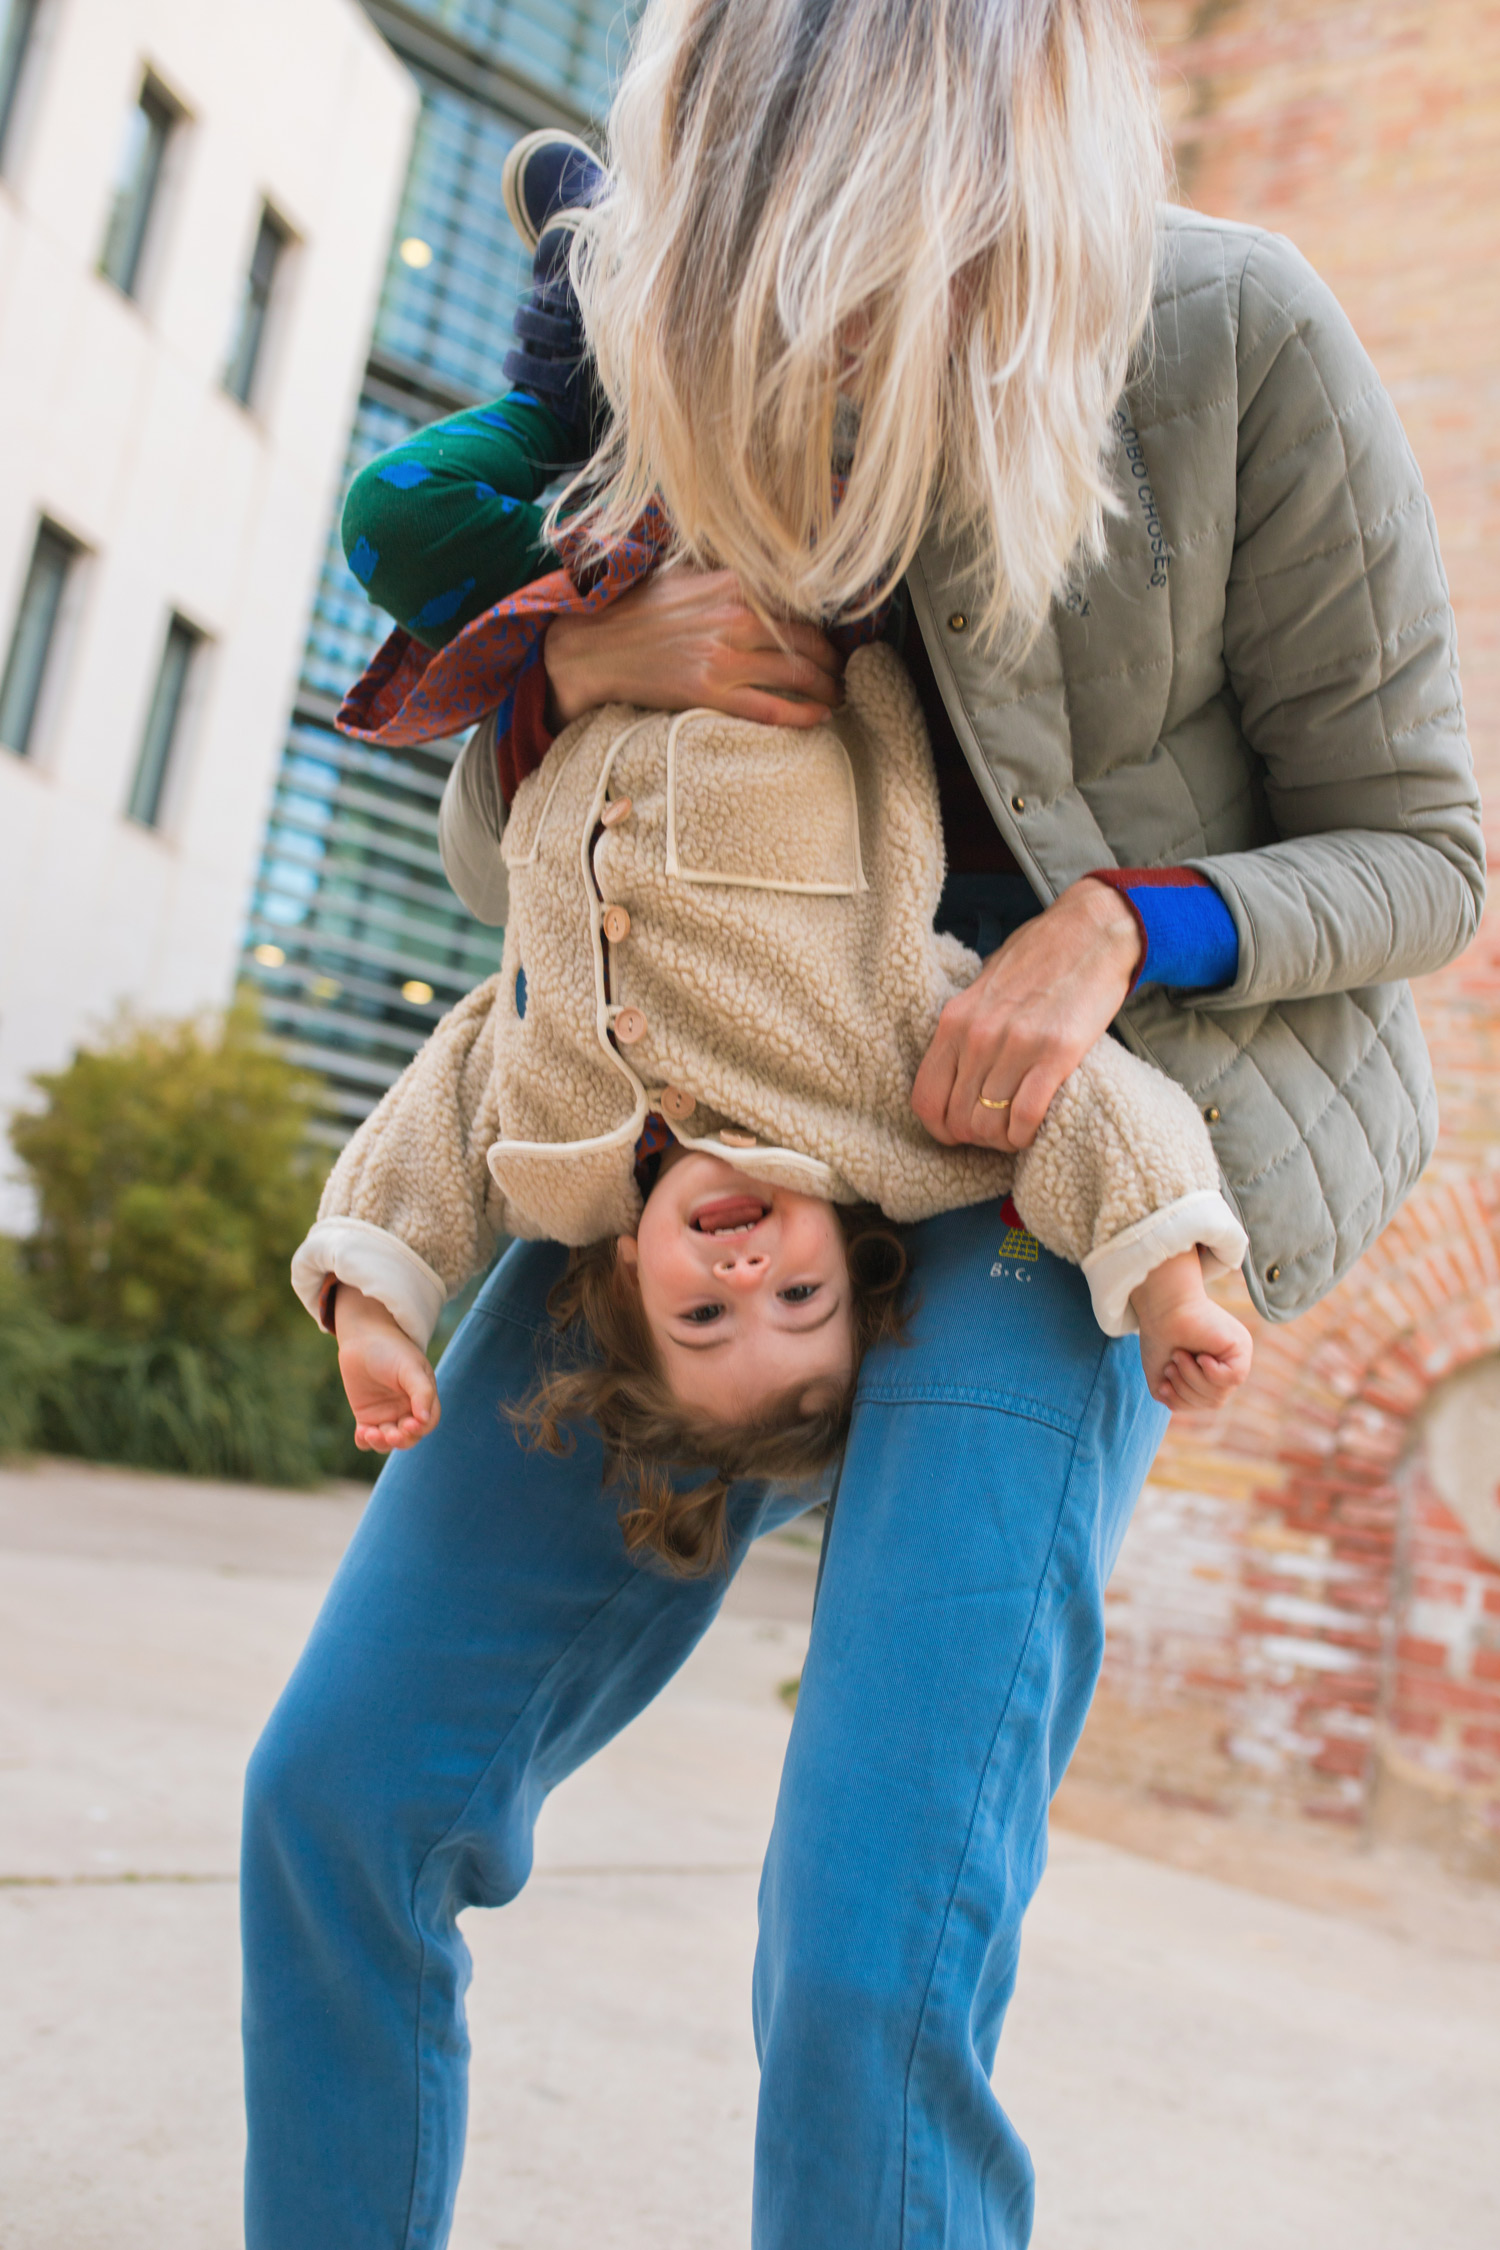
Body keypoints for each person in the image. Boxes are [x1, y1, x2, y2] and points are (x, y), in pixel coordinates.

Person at [241, 6, 1485, 2246]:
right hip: (711, 1123)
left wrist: (1114, 930)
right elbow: (513, 872)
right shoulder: (676, 360)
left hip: (1056, 1166)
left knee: (864, 1964)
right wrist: (575, 677)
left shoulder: (1227, 335)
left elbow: (1425, 859)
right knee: (334, 1803)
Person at [290, 639, 1251, 1568]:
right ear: (845, 1250)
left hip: (603, 641)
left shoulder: (549, 1157)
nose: (746, 1274)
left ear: (630, 1279)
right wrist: (1171, 1297)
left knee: (403, 521)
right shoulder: (886, 1110)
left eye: (703, 1315)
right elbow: (1087, 1110)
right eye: (799, 1297)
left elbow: (439, 1109)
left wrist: (375, 1317)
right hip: (801, 643)